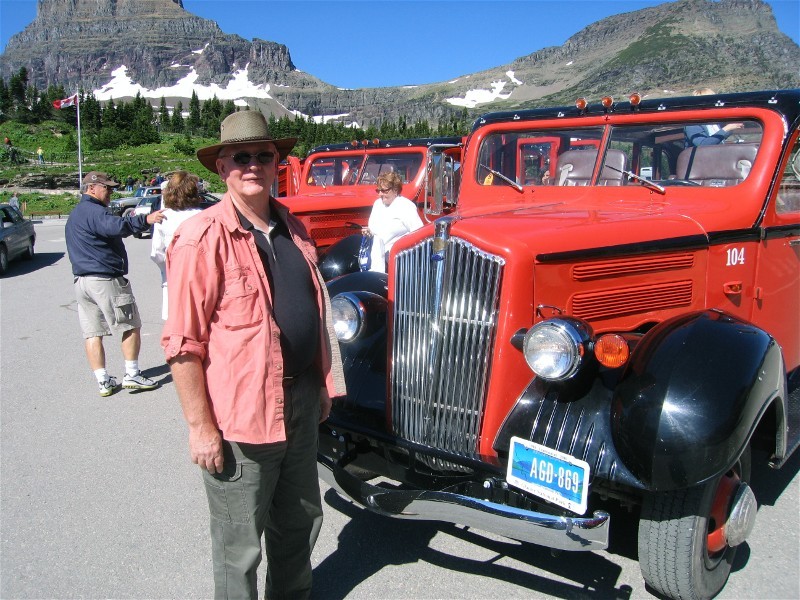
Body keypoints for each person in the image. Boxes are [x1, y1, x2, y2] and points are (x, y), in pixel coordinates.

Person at [162, 110, 346, 599]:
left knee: (301, 523)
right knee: (239, 546)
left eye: (263, 155)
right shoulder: (201, 238)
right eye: (239, 157)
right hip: (242, 417)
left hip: (301, 403)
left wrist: (323, 384)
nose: (252, 165)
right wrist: (201, 428)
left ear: (277, 163)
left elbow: (315, 310)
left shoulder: (294, 228)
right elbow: (183, 344)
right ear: (221, 169)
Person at [65, 171, 166, 397]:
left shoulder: (76, 214)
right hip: (104, 279)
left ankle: (103, 380)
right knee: (130, 324)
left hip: (82, 282)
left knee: (93, 332)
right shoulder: (95, 211)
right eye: (107, 188)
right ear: (92, 188)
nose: (111, 192)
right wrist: (145, 220)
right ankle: (132, 373)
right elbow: (117, 226)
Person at [150, 171, 203, 320]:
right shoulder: (205, 215)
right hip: (201, 281)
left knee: (175, 327)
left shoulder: (163, 217)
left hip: (173, 280)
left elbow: (156, 253)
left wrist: (167, 269)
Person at [363, 171, 423, 273]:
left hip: (399, 264)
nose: (380, 194)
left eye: (384, 191)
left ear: (395, 190)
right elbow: (374, 230)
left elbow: (419, 234)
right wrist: (368, 232)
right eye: (379, 190)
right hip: (376, 262)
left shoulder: (405, 206)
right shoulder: (377, 204)